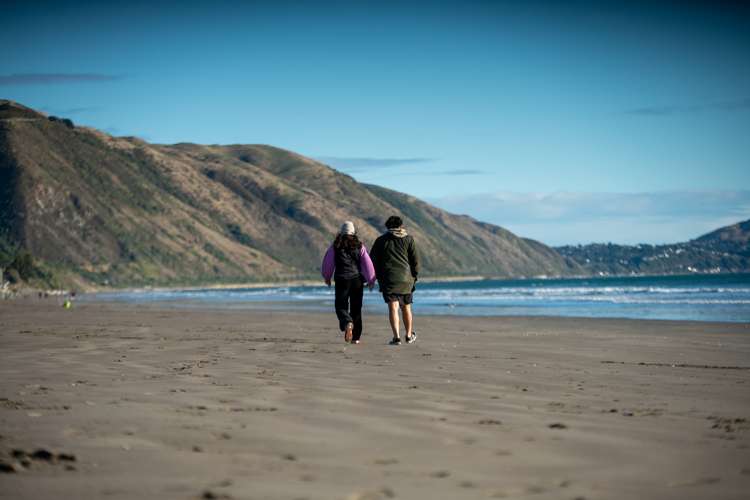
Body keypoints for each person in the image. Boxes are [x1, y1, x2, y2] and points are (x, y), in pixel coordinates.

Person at [321, 221, 376, 344]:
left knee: (341, 306)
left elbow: (328, 263)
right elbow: (367, 264)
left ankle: (347, 323)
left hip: (341, 280)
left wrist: (327, 277)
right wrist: (371, 279)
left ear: (341, 232)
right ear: (354, 233)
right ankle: (356, 338)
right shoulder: (360, 246)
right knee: (356, 308)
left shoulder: (335, 246)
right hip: (357, 281)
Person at [369, 216, 420, 345]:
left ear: (387, 226)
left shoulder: (381, 240)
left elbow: (372, 260)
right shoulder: (409, 239)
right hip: (406, 279)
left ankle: (396, 337)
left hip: (388, 279)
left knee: (393, 307)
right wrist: (415, 276)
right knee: (406, 307)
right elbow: (415, 261)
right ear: (401, 225)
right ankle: (408, 335)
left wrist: (375, 276)